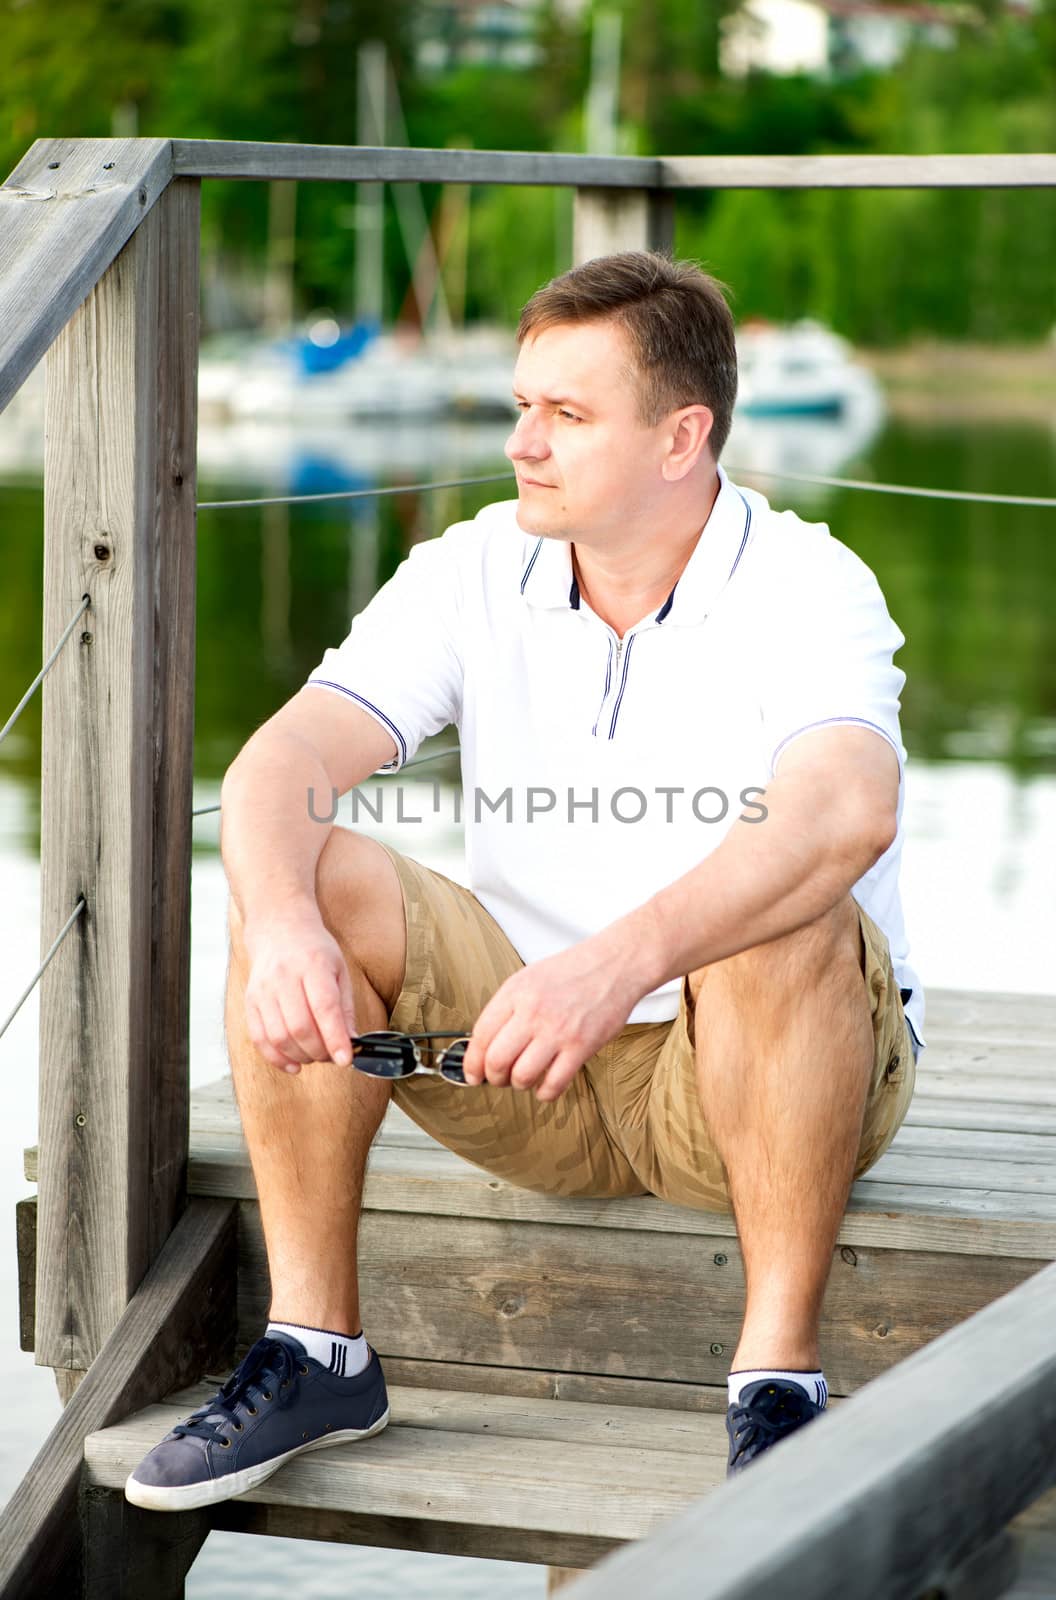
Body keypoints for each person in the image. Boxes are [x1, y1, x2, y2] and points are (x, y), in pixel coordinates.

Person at [126, 250, 925, 1511]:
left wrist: (614, 964)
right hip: (524, 1065)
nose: (522, 444)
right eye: (520, 407)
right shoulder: (474, 566)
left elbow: (847, 809)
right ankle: (319, 1349)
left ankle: (777, 1387)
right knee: (310, 870)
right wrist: (277, 921)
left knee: (784, 903)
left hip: (747, 1081)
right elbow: (286, 756)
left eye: (567, 414)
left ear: (681, 438)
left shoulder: (803, 579)